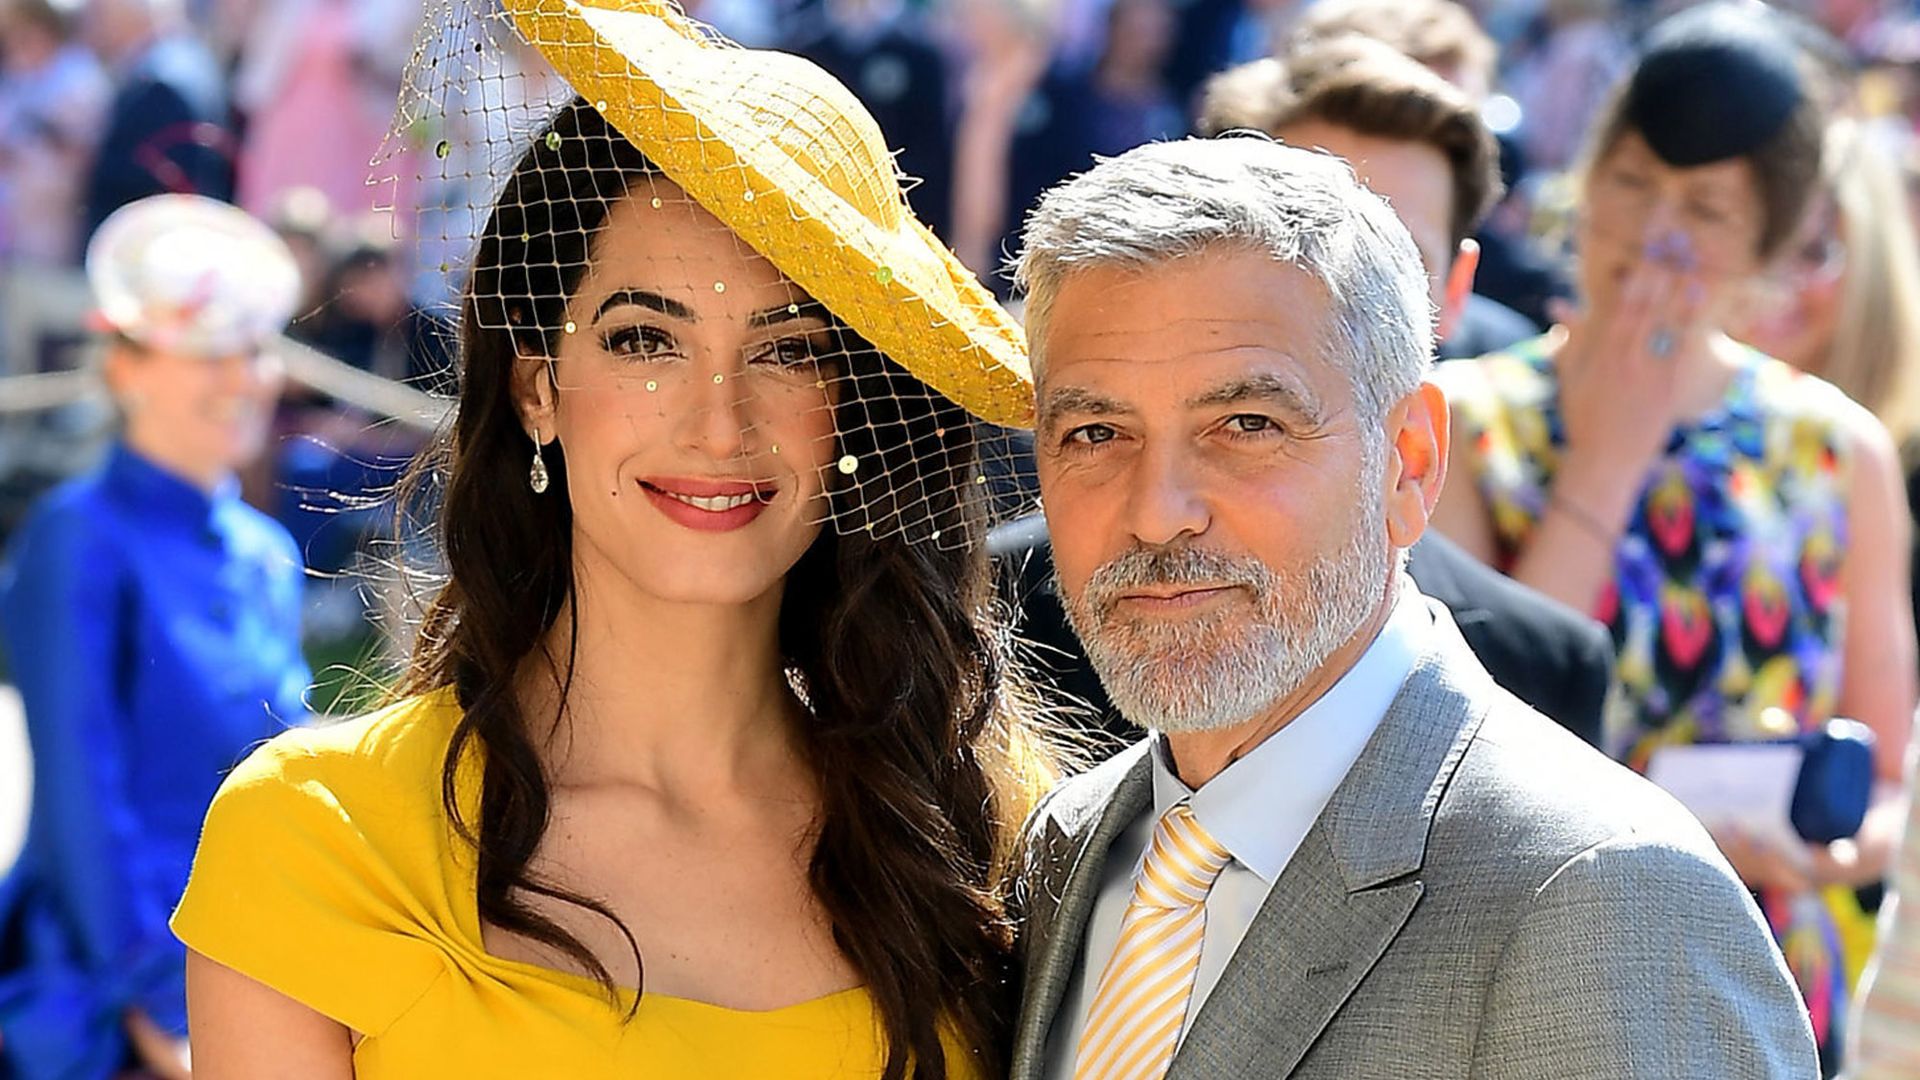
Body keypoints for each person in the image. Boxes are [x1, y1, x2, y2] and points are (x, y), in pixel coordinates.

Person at [173, 1, 1055, 1076]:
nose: (717, 422)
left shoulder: (988, 828)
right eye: (647, 339)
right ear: (539, 386)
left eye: (787, 352)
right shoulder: (316, 839)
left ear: (854, 411)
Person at [1005, 134, 1817, 1079]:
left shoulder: (1600, 891)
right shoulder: (1065, 847)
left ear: (1412, 460)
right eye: (1096, 432)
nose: (1158, 510)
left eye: (1247, 426)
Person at [1432, 7, 1916, 1069]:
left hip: (1770, 967)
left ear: (1771, 245)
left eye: (1706, 207)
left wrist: (1813, 843)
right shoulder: (1462, 420)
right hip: (1544, 956)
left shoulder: (1837, 448)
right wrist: (1611, 451)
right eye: (1635, 182)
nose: (1657, 232)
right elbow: (1482, 718)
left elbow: (1887, 779)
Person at [1188, 37, 1609, 741]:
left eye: (1395, 260)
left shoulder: (1543, 665)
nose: (1339, 296)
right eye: (1293, 241)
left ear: (1454, 292)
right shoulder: (1023, 601)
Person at [0, 193, 309, 1080]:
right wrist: (158, 1006)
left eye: (252, 350)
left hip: (258, 959)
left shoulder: (266, 552)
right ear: (124, 367)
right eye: (206, 353)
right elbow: (81, 793)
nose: (241, 378)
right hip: (114, 992)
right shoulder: (77, 536)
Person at [79, 0, 234, 243]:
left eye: (97, 12)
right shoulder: (184, 59)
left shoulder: (160, 84)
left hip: (158, 246)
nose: (90, 24)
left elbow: (151, 179)